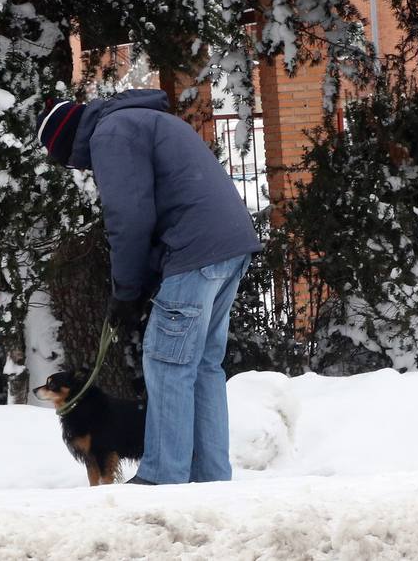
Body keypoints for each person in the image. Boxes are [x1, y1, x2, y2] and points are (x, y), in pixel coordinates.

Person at [37, 89, 261, 485]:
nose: (81, 167)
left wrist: (126, 291)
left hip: (195, 250)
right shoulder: (143, 120)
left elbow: (130, 217)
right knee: (204, 365)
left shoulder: (110, 134)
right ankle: (210, 477)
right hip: (228, 245)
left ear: (69, 143)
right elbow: (166, 203)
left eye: (71, 162)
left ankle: (162, 478)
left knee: (167, 363)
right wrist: (144, 285)